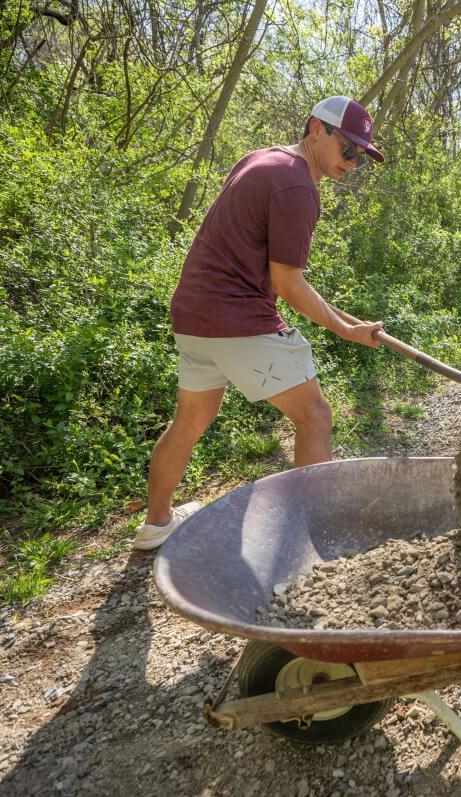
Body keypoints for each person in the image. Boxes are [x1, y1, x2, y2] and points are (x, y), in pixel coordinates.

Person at [134, 96, 386, 550]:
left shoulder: (262, 160)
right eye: (348, 149)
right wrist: (346, 332)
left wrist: (352, 321)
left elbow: (277, 278)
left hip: (193, 314)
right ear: (316, 129)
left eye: (360, 157)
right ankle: (311, 537)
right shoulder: (297, 189)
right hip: (237, 318)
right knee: (314, 416)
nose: (353, 163)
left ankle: (156, 525)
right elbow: (287, 284)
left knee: (190, 420)